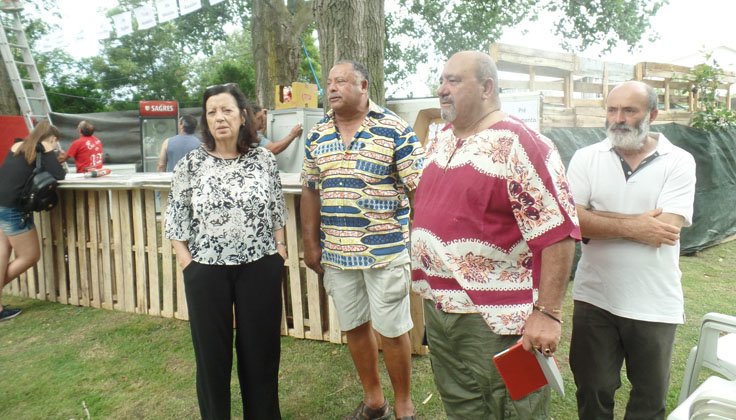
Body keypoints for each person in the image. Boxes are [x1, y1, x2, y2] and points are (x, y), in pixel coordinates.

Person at [410, 51, 580, 419]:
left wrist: (548, 313)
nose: (442, 89)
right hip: (441, 309)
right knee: (462, 406)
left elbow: (559, 232)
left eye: (454, 80)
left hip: (499, 321)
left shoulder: (522, 144)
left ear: (487, 87)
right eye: (441, 80)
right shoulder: (441, 138)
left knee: (517, 409)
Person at [300, 60, 424, 420]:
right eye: (329, 82)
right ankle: (374, 401)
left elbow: (420, 190)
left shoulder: (394, 129)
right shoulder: (318, 134)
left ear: (364, 86)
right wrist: (311, 243)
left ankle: (403, 405)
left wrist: (422, 241)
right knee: (354, 326)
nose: (332, 87)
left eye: (341, 81)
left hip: (385, 251)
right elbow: (310, 189)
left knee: (393, 329)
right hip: (338, 254)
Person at [566, 80, 697, 419]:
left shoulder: (679, 161)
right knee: (592, 391)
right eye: (612, 109)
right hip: (595, 297)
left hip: (655, 301)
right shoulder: (586, 158)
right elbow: (572, 221)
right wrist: (635, 225)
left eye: (629, 110)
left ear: (652, 114)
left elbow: (665, 229)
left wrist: (597, 218)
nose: (618, 118)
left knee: (649, 401)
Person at [165, 83, 287, 419]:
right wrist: (187, 262)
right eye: (212, 112)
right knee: (211, 356)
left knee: (261, 352)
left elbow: (277, 208)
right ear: (206, 120)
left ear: (242, 115)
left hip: (260, 266)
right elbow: (176, 217)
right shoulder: (191, 163)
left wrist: (279, 248)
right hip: (206, 269)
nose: (220, 117)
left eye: (227, 110)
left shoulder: (263, 159)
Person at [0, 120, 66, 321]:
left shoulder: (18, 145)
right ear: (52, 138)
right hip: (13, 209)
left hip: (1, 204)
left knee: (3, 251)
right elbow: (59, 175)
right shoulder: (42, 148)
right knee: (30, 256)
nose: (56, 145)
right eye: (55, 142)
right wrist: (50, 151)